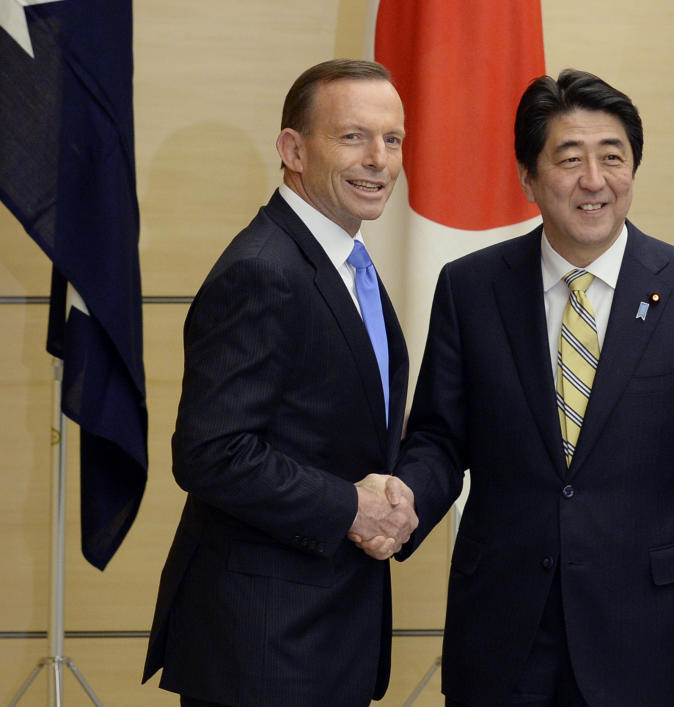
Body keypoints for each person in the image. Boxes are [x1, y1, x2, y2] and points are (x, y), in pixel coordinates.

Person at [361, 69, 674, 706]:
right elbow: (441, 437)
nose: (594, 181)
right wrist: (405, 500)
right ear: (527, 176)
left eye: (614, 158)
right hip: (501, 629)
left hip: (642, 632)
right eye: (570, 158)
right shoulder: (471, 289)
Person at [143, 59, 417, 707]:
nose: (378, 159)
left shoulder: (344, 260)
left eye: (393, 139)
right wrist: (350, 505)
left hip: (320, 637)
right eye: (353, 136)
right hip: (262, 645)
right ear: (293, 149)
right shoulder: (264, 269)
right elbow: (211, 453)